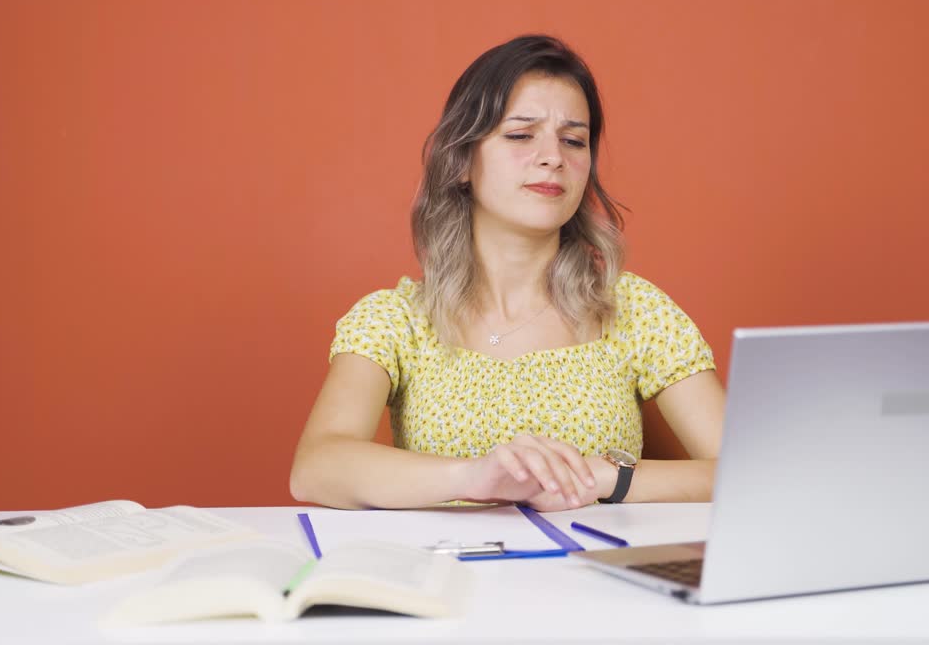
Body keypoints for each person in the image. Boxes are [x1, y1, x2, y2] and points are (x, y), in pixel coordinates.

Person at [290, 35, 725, 512]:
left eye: (573, 140)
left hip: (593, 579)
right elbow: (316, 468)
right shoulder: (393, 319)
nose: (553, 157)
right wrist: (478, 475)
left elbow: (747, 472)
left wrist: (607, 477)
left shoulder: (635, 309)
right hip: (448, 580)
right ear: (461, 161)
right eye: (520, 135)